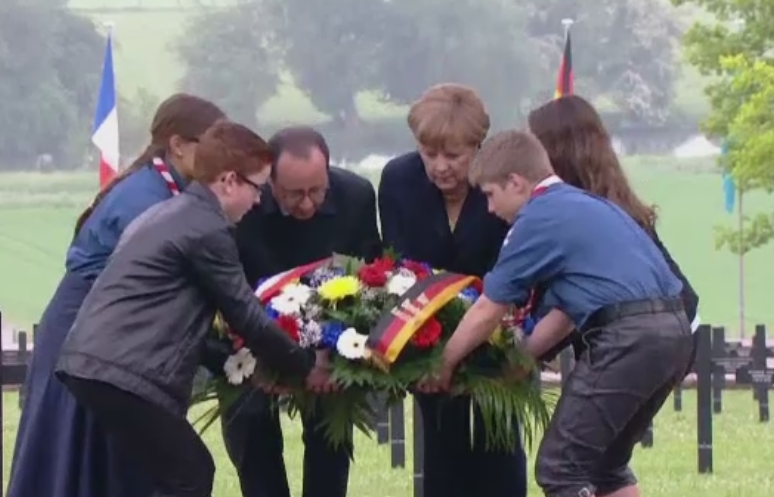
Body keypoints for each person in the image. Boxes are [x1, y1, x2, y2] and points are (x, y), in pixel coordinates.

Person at [55, 121, 326, 497]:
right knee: (190, 473)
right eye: (258, 188)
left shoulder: (169, 214)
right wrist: (306, 365)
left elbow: (182, 321)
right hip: (124, 370)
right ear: (230, 181)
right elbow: (245, 314)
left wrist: (233, 362)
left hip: (95, 364)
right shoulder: (207, 230)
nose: (258, 201)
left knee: (173, 475)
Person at [431, 129, 695, 497]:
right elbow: (567, 312)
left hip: (627, 338)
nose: (490, 209)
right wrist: (523, 358)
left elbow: (490, 307)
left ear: (515, 182)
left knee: (560, 468)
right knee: (607, 466)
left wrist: (443, 362)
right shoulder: (586, 206)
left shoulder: (538, 217)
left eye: (490, 195)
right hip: (674, 333)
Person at [8, 93, 225, 497]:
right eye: (213, 148)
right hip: (88, 337)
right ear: (178, 145)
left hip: (104, 334)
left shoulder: (165, 192)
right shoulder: (147, 202)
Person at [378, 84, 527, 497]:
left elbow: (518, 268)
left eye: (454, 156)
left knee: (501, 453)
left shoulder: (504, 185)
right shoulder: (398, 180)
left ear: (478, 147)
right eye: (430, 154)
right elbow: (398, 269)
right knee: (442, 460)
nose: (440, 167)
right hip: (428, 339)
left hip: (499, 336)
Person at [220, 125, 381, 497]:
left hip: (333, 333)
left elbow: (371, 279)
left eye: (317, 191)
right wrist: (265, 355)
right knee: (250, 424)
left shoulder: (356, 195)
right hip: (252, 333)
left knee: (330, 437)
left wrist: (330, 353)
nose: (307, 204)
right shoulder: (245, 206)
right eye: (294, 194)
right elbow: (230, 287)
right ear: (268, 181)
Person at [527, 95, 700, 370]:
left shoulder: (583, 218)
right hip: (672, 331)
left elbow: (566, 308)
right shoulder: (620, 208)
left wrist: (518, 358)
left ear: (556, 153)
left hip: (636, 338)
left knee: (581, 415)